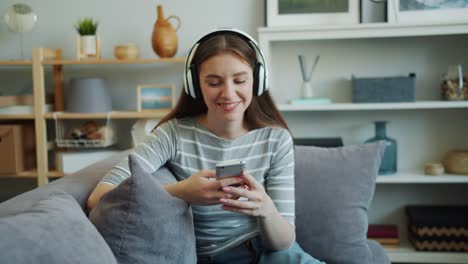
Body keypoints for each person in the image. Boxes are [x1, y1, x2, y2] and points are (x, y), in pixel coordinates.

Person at [87, 28, 324, 264]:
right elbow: (99, 197)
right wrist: (181, 192)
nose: (228, 93)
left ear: (257, 80)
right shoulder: (173, 134)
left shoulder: (276, 139)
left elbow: (283, 241)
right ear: (195, 84)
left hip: (269, 252)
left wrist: (266, 209)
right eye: (213, 82)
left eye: (240, 80)